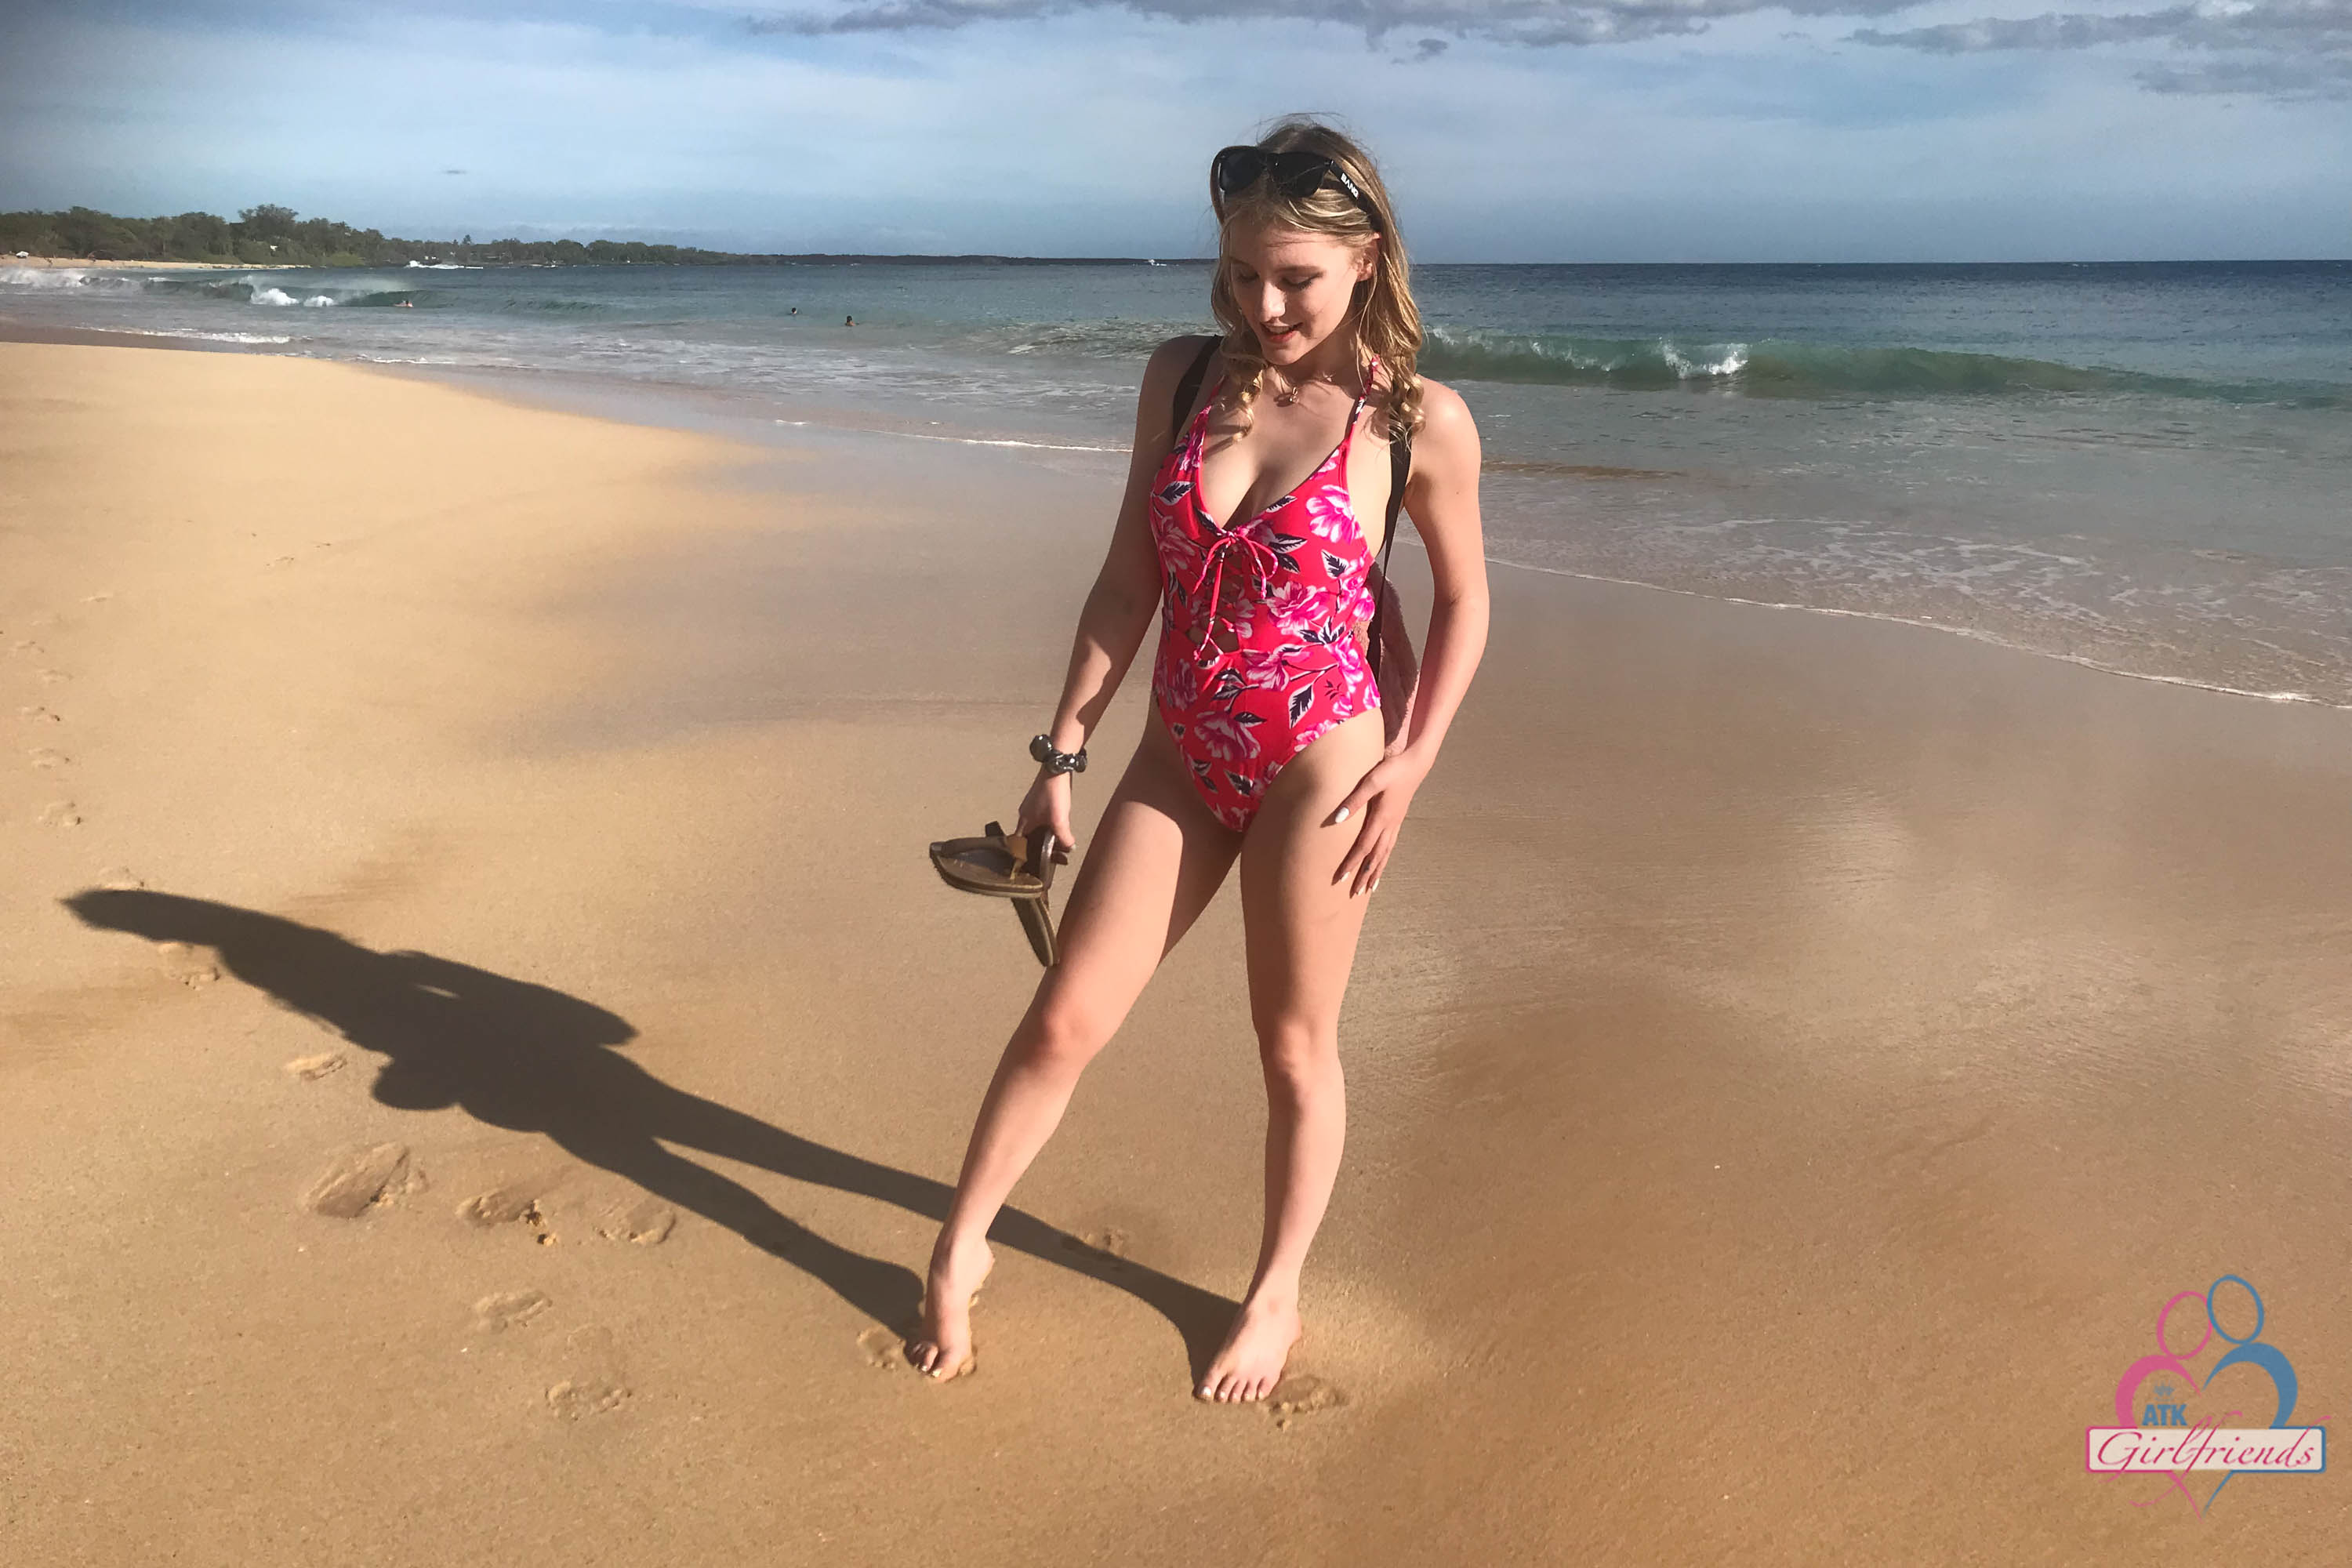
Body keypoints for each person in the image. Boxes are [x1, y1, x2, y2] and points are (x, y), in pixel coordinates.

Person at [909, 117, 1490, 1402]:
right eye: (1239, 273)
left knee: (1291, 1047)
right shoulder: (1181, 379)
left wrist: (1414, 761)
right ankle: (960, 1245)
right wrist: (1061, 752)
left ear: (1367, 260)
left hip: (1321, 764)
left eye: (1294, 278)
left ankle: (1275, 1292)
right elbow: (1129, 579)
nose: (1262, 305)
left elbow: (1465, 601)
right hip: (1180, 749)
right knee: (1066, 1013)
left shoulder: (1417, 422)